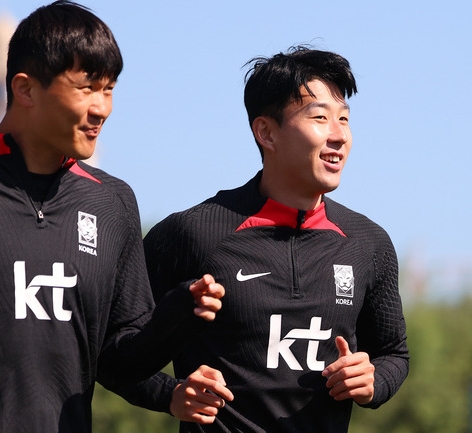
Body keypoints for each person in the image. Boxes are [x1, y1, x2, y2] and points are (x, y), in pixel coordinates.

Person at [0, 2, 232, 432]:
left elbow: (117, 358)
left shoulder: (113, 202)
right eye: (87, 87)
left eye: (110, 88)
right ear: (25, 89)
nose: (103, 108)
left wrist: (176, 319)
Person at [121, 46, 410, 432]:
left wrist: (373, 380)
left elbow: (394, 354)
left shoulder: (368, 243)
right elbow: (113, 349)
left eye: (344, 119)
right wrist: (169, 393)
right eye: (320, 118)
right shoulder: (192, 233)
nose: (339, 135)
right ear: (266, 133)